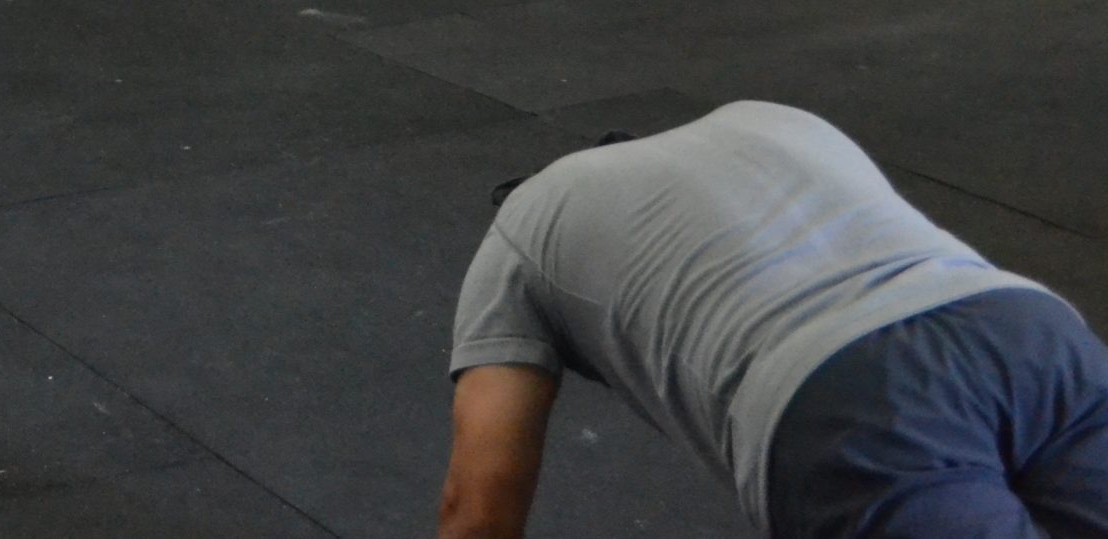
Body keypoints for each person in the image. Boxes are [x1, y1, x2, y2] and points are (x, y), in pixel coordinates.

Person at [441, 101, 1108, 539]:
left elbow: (477, 511)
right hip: (1032, 333)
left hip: (856, 397)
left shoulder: (520, 231)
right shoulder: (767, 117)